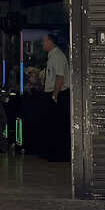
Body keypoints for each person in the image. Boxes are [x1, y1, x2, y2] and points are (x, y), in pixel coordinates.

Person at [42, 33, 71, 161]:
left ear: (50, 42)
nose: (42, 44)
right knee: (52, 124)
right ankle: (53, 152)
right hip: (53, 93)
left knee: (58, 125)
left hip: (59, 94)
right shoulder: (52, 56)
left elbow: (60, 76)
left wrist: (55, 94)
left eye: (44, 41)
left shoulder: (58, 56)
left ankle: (60, 154)